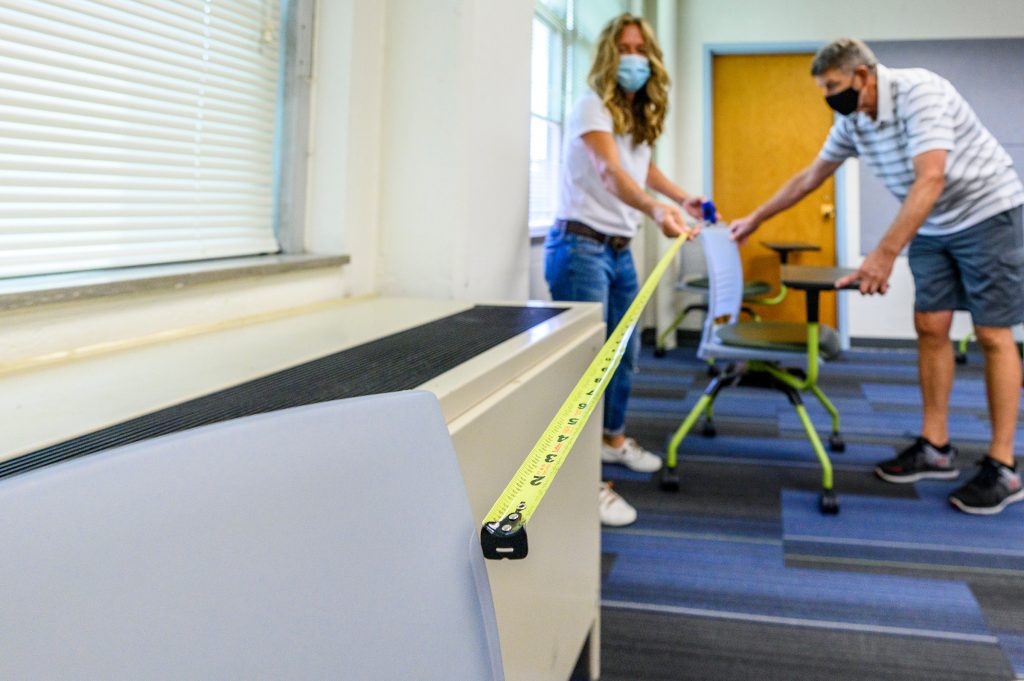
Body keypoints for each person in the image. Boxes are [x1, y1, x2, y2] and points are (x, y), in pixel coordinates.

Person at [730, 38, 1024, 515]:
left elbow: (931, 178)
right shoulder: (853, 119)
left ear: (863, 76)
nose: (829, 96)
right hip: (932, 222)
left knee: (992, 333)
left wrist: (883, 255)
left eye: (833, 86)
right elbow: (810, 177)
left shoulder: (920, 92)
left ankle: (1003, 465)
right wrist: (755, 218)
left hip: (988, 213)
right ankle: (935, 446)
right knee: (931, 326)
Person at [545, 13, 703, 527]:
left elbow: (638, 166)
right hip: (581, 248)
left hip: (618, 250)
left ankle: (612, 441)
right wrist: (657, 210)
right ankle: (580, 479)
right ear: (609, 55)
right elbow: (611, 173)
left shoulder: (634, 115)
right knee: (587, 368)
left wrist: (681, 197)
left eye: (641, 48)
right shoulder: (591, 106)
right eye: (624, 47)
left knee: (625, 355)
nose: (632, 57)